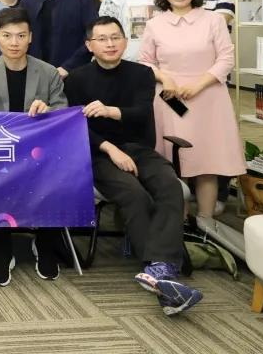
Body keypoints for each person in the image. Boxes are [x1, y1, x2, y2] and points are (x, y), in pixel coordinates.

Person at [65, 16, 202, 317]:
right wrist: (110, 148)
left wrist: (109, 111)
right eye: (102, 39)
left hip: (139, 149)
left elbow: (141, 113)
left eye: (115, 37)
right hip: (99, 153)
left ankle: (158, 269)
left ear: (126, 41)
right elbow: (76, 127)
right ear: (89, 45)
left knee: (169, 186)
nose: (110, 44)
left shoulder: (141, 74)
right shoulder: (76, 79)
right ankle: (161, 268)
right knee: (134, 193)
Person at [0, 6, 67, 287]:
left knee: (54, 176)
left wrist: (49, 111)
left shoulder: (48, 73)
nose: (14, 42)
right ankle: (2, 249)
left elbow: (63, 114)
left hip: (39, 153)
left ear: (30, 37)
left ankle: (44, 244)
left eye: (21, 35)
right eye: (7, 35)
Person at [139, 0, 245, 219]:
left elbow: (226, 58)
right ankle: (179, 221)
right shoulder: (154, 24)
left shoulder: (213, 20)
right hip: (169, 98)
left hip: (209, 96)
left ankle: (206, 222)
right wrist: (166, 79)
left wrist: (198, 85)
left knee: (207, 161)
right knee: (174, 162)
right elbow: (145, 61)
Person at [180, 0, 235, 213]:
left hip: (210, 77)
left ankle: (215, 200)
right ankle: (182, 199)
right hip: (174, 84)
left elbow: (220, 21)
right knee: (179, 133)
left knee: (212, 137)